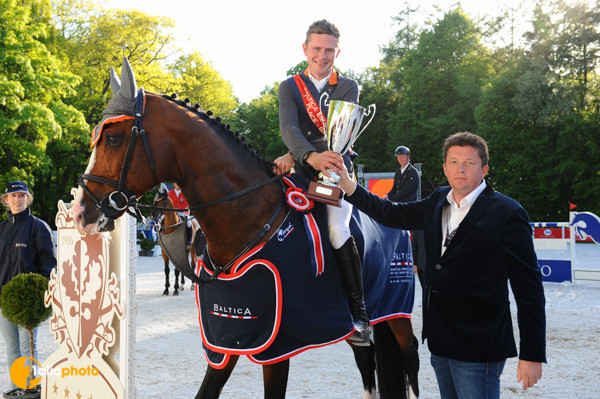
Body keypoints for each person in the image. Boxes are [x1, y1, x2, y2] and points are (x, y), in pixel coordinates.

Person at [333, 132, 546, 398]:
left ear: (484, 169)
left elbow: (529, 290)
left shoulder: (507, 213)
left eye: (469, 163)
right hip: (440, 341)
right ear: (444, 167)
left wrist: (533, 354)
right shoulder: (438, 200)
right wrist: (350, 188)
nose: (461, 169)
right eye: (454, 162)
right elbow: (391, 214)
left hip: (479, 345)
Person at [274, 19, 369, 345]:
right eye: (316, 49)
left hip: (336, 167)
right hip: (303, 167)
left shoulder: (347, 85)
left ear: (337, 52)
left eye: (329, 50)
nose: (322, 56)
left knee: (336, 229)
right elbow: (290, 128)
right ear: (305, 49)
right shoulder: (289, 86)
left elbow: (337, 133)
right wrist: (300, 155)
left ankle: (359, 314)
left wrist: (302, 154)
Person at [0, 181, 57, 388]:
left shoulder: (38, 227)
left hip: (29, 300)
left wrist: (42, 294)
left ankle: (31, 386)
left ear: (28, 198)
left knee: (27, 347)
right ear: (6, 199)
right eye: (13, 196)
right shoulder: (1, 229)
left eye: (22, 195)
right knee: (12, 347)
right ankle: (17, 386)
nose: (18, 199)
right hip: (4, 300)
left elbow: (49, 264)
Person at [384, 145, 425, 286]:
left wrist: (391, 199)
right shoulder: (399, 171)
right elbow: (394, 188)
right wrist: (388, 195)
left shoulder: (412, 172)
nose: (400, 158)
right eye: (398, 156)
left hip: (406, 205)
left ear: (408, 157)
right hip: (397, 204)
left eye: (403, 156)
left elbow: (406, 192)